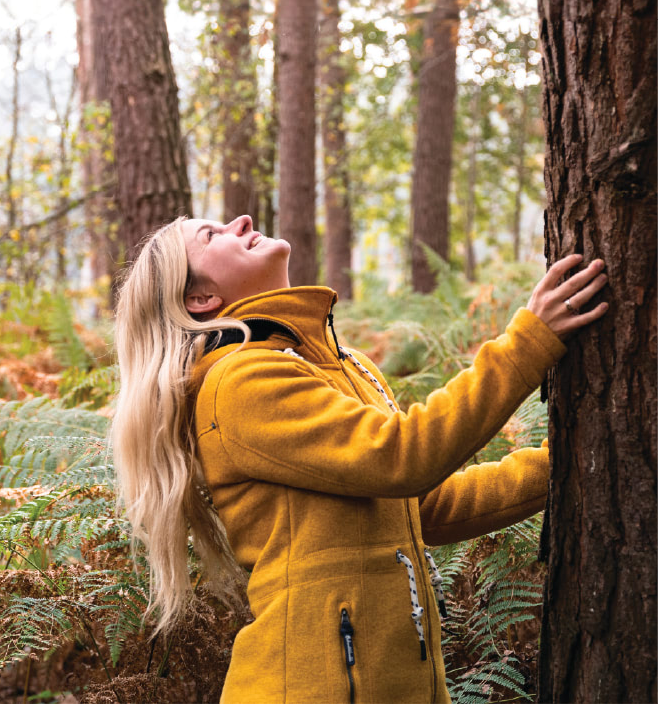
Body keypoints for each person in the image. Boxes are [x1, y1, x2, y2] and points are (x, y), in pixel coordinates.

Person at [111, 214, 609, 704]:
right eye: (211, 235)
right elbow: (403, 455)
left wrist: (571, 461)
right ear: (201, 299)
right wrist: (528, 343)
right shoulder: (239, 383)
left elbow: (426, 506)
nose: (239, 221)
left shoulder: (347, 366)